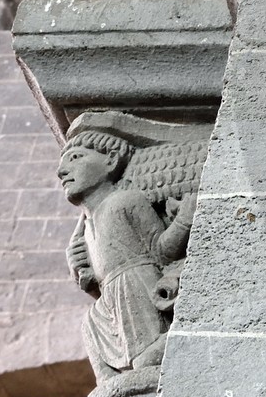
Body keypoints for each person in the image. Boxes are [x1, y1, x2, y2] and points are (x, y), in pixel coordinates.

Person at [58, 128, 190, 380]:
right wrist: (84, 275)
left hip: (137, 287)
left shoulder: (125, 200)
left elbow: (162, 251)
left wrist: (184, 218)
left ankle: (187, 333)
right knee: (89, 324)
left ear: (110, 160)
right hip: (110, 297)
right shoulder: (86, 225)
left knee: (144, 364)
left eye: (75, 158)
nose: (62, 171)